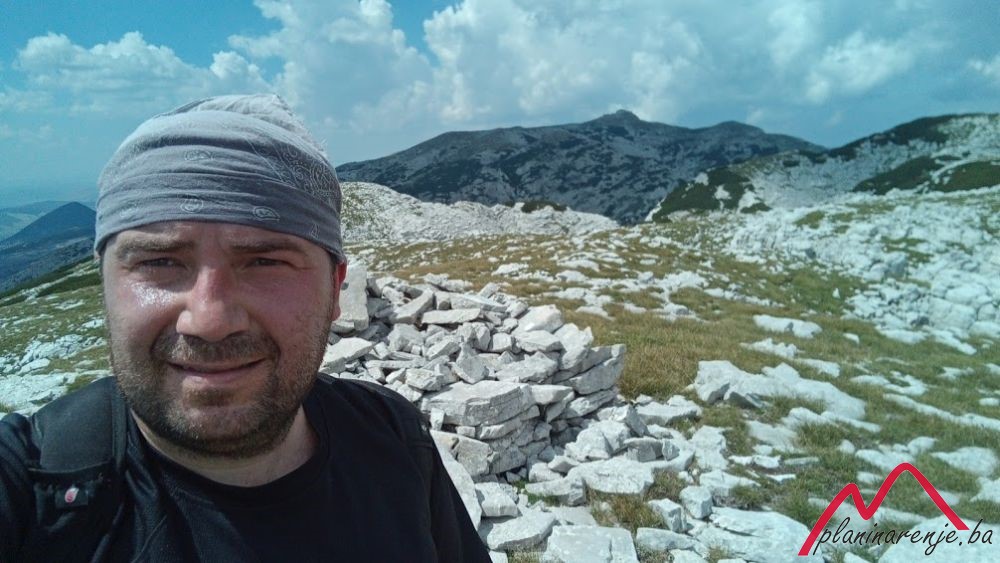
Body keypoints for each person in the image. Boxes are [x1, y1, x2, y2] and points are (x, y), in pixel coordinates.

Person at [0, 94, 491, 562]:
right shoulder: (28, 486)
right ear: (105, 285)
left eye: (264, 261)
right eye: (159, 261)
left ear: (336, 288)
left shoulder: (395, 439)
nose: (209, 321)